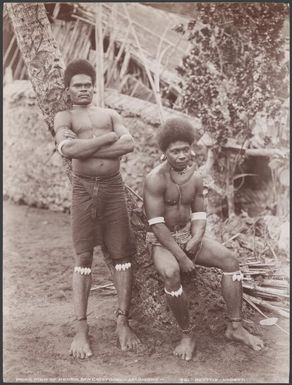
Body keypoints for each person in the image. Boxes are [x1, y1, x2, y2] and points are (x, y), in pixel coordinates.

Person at [143, 117, 264, 361]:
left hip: (188, 235)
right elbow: (156, 225)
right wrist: (181, 256)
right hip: (162, 241)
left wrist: (197, 236)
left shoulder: (195, 177)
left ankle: (235, 327)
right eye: (174, 151)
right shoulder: (155, 179)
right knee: (171, 273)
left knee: (231, 261)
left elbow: (199, 213)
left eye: (185, 149)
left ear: (192, 148)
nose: (181, 155)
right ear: (164, 152)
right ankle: (187, 335)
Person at [54, 59, 139, 359]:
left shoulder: (111, 113)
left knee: (122, 255)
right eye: (78, 85)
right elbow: (69, 150)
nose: (84, 89)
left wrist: (89, 145)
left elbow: (129, 144)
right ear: (68, 90)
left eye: (88, 85)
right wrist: (106, 138)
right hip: (83, 189)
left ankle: (122, 322)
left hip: (113, 188)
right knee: (83, 256)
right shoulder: (64, 117)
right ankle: (81, 330)